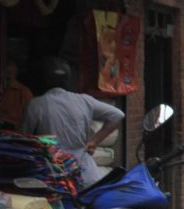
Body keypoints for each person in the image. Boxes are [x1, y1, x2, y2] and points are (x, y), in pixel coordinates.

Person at [21, 57, 125, 185]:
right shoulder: (84, 101)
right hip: (86, 175)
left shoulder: (36, 105)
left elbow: (23, 139)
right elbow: (118, 114)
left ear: (44, 80)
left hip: (54, 176)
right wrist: (94, 141)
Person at [0, 60, 33, 129]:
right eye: (5, 73)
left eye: (10, 73)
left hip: (15, 131)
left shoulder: (23, 92)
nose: (7, 76)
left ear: (16, 73)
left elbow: (31, 118)